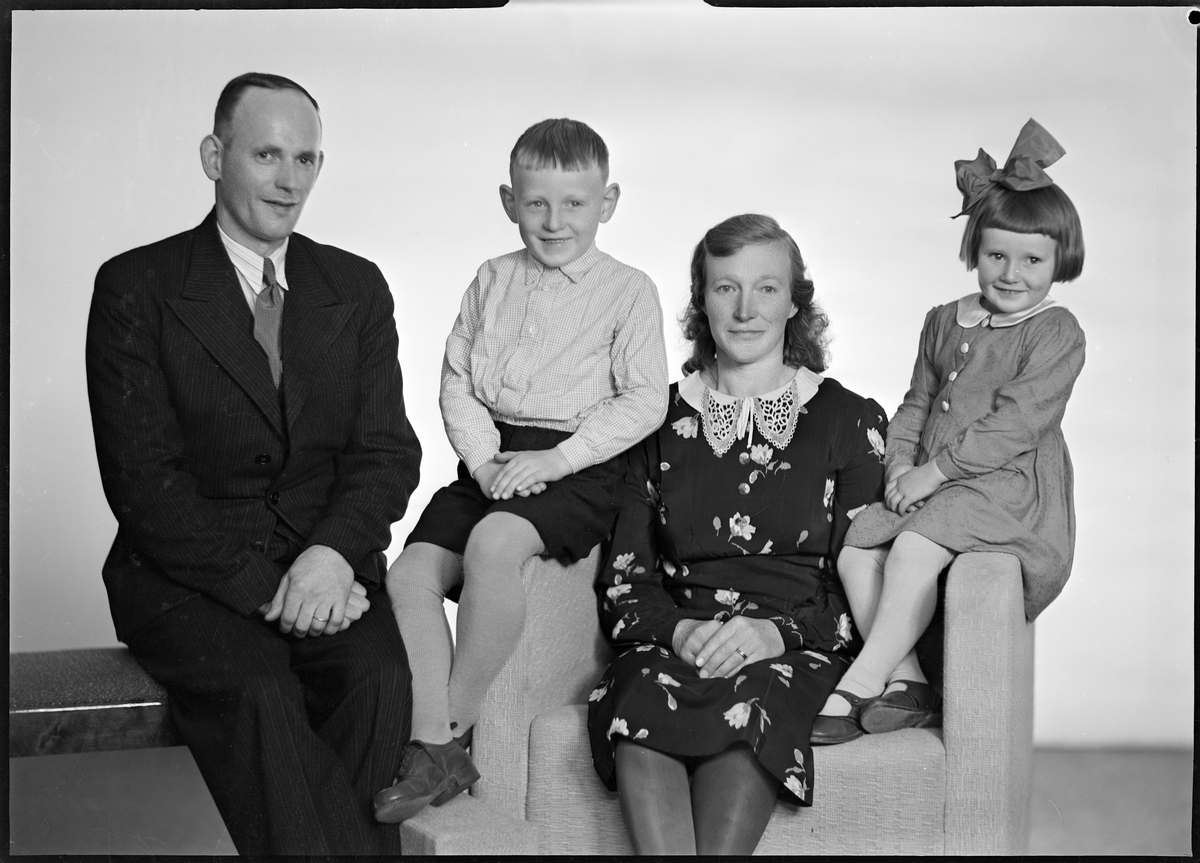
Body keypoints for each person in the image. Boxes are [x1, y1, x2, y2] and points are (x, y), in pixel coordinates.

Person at [85, 72, 421, 855]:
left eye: (305, 159)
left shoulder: (356, 286)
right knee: (263, 692)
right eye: (267, 154)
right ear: (214, 156)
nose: (289, 180)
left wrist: (331, 557)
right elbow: (145, 483)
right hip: (187, 578)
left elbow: (384, 452)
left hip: (327, 568)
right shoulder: (137, 285)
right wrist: (275, 590)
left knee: (379, 681)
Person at [375, 118, 669, 822]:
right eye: (536, 202)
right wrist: (482, 462)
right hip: (494, 459)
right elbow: (457, 380)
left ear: (608, 202)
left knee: (494, 542)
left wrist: (556, 460)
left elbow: (645, 400)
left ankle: (452, 723)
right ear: (510, 201)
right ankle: (431, 738)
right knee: (408, 573)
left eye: (574, 203)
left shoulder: (628, 290)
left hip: (579, 463)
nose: (554, 221)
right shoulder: (491, 278)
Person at [586, 214, 888, 854]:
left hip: (791, 650)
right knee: (639, 689)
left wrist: (776, 635)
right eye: (727, 288)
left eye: (766, 288)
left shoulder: (850, 420)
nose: (746, 310)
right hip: (674, 645)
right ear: (702, 301)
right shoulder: (652, 423)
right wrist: (680, 632)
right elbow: (624, 585)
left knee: (756, 694)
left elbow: (862, 591)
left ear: (795, 301)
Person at [812, 119, 1086, 744]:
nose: (1011, 274)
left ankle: (858, 682)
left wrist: (934, 473)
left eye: (1032, 260)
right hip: (934, 481)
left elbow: (1016, 423)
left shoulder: (1056, 331)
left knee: (913, 547)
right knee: (858, 546)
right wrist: (900, 469)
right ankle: (908, 683)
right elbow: (915, 403)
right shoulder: (943, 319)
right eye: (996, 256)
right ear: (974, 250)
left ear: (1059, 260)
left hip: (1005, 486)